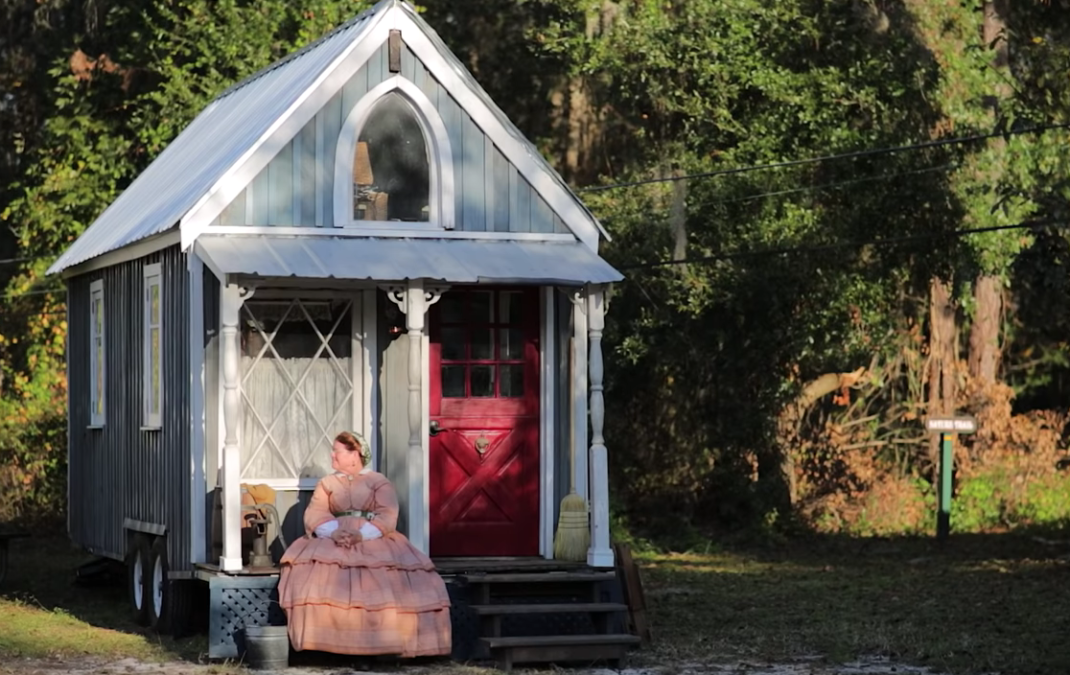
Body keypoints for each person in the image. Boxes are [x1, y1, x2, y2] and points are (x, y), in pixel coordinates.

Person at [278, 431, 452, 657]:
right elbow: (315, 512)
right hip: (333, 536)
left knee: (382, 585)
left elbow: (388, 513)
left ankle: (379, 646)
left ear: (355, 455)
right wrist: (333, 532)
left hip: (372, 536)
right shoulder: (327, 483)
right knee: (312, 579)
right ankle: (325, 646)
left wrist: (363, 535)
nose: (332, 455)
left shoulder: (377, 481)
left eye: (337, 451)